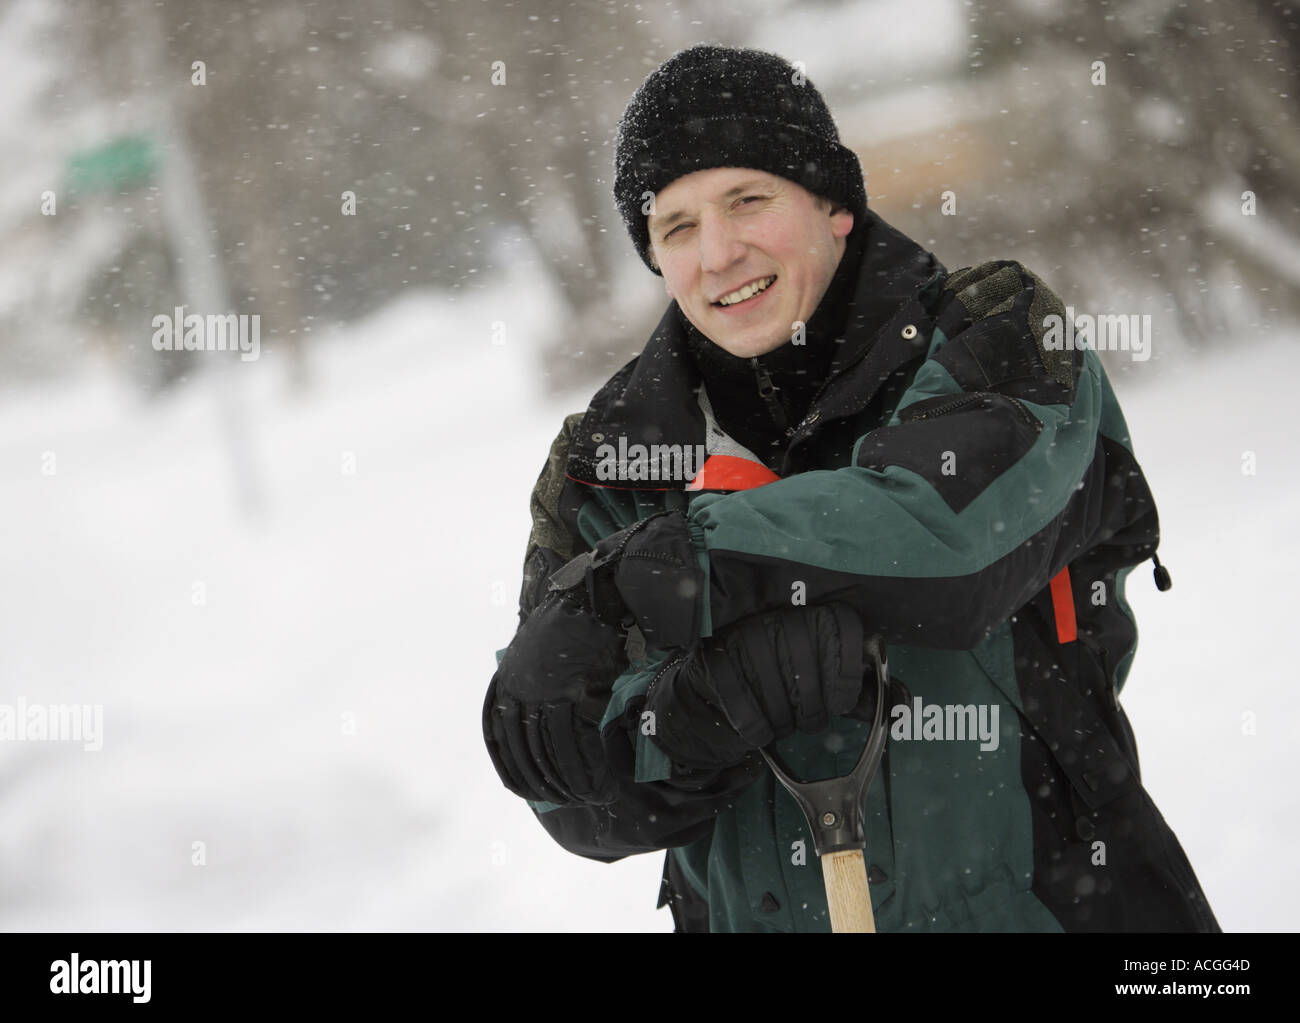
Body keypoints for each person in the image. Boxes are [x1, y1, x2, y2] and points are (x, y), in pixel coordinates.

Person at [482, 43, 1221, 933]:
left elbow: (950, 542)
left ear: (833, 205)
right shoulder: (607, 461)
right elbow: (574, 792)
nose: (718, 253)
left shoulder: (998, 338)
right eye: (675, 227)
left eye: (746, 200)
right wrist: (698, 716)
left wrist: (655, 576)